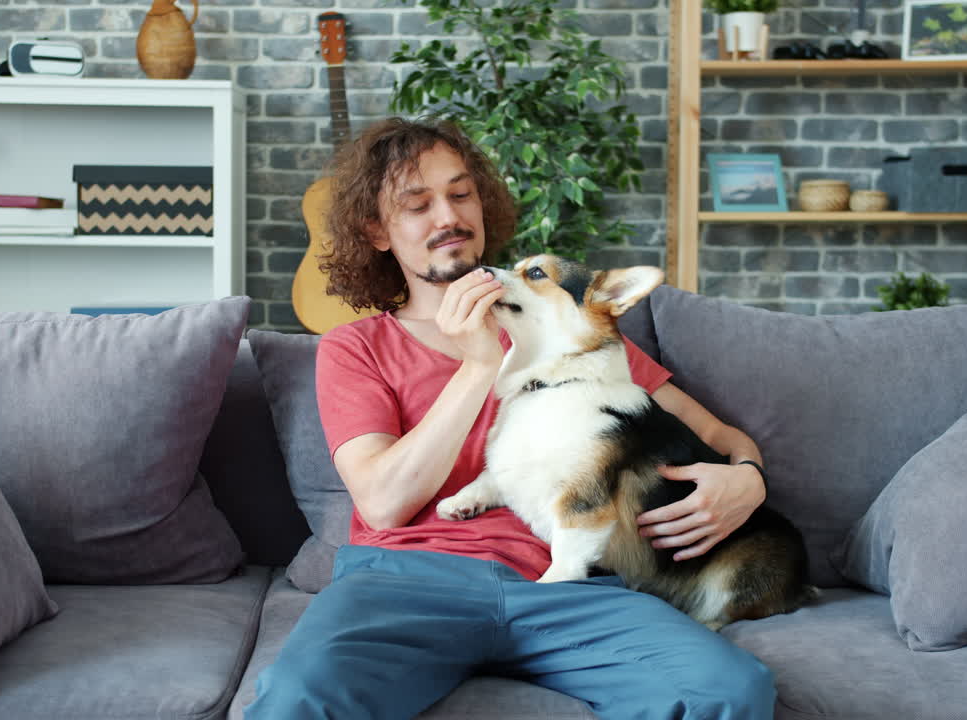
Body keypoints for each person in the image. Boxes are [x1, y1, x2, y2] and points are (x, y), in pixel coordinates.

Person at [244, 117, 775, 719]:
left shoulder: (572, 334)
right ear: (377, 231)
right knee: (294, 700)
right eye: (417, 205)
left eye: (461, 194)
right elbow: (384, 503)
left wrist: (749, 479)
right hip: (406, 580)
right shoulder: (357, 347)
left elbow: (716, 435)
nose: (448, 216)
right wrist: (478, 364)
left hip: (568, 582)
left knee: (728, 690)